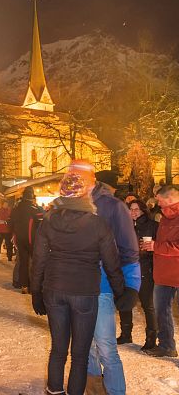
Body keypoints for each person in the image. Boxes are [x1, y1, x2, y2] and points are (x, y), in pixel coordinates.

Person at [31, 173, 126, 395]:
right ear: (85, 194)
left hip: (54, 290)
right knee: (80, 354)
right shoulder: (97, 223)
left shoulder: (48, 221)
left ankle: (54, 391)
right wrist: (120, 292)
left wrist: (36, 292)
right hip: (84, 292)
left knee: (58, 349)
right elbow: (112, 263)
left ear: (61, 193)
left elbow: (39, 260)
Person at [69, 162, 140, 395]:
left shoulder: (112, 207)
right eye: (71, 176)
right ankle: (95, 390)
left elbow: (129, 249)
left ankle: (116, 391)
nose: (75, 180)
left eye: (79, 176)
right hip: (74, 288)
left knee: (106, 347)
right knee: (85, 345)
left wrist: (132, 285)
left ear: (91, 178)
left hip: (102, 287)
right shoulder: (68, 206)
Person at [116, 200, 158, 350]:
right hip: (126, 269)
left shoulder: (152, 226)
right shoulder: (124, 227)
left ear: (143, 210)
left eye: (136, 209)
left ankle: (151, 338)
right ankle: (126, 334)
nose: (133, 212)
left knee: (148, 305)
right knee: (125, 302)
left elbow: (157, 246)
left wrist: (152, 247)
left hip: (144, 268)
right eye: (130, 209)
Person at [145, 185, 179, 358]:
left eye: (159, 199)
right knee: (161, 310)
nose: (156, 202)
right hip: (163, 273)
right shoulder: (165, 217)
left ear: (170, 199)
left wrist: (155, 246)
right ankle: (166, 346)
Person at [11, 186, 44, 294]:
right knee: (35, 262)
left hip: (19, 239)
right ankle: (34, 285)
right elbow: (42, 221)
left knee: (23, 262)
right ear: (31, 197)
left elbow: (10, 222)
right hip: (32, 239)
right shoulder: (34, 209)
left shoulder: (15, 209)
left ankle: (24, 285)